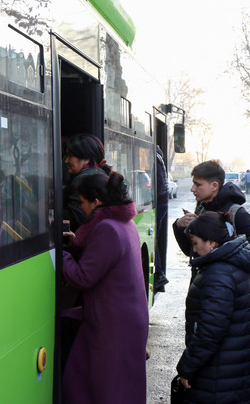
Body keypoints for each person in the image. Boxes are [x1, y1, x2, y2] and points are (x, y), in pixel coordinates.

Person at [61, 172, 148, 404]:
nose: (80, 207)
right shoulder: (124, 223)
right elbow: (104, 260)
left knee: (102, 387)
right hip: (123, 319)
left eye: (82, 201)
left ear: (96, 201)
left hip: (112, 324)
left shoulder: (107, 228)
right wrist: (75, 245)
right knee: (119, 385)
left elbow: (83, 277)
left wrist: (59, 256)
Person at [176, 211, 250, 403]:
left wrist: (187, 367)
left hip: (222, 376)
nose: (193, 250)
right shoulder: (237, 261)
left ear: (211, 243)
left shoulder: (218, 274)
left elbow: (209, 332)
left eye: (195, 243)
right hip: (242, 369)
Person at [173, 160, 250, 281]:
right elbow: (192, 252)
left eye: (198, 184)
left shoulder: (238, 214)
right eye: (193, 184)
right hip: (204, 286)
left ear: (214, 186)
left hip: (226, 291)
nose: (192, 189)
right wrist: (179, 226)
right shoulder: (202, 208)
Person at [62, 134, 111, 233]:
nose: (66, 161)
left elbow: (74, 219)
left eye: (70, 156)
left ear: (86, 158)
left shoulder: (84, 182)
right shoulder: (99, 174)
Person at [154, 145, 170, 292]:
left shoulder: (154, 157)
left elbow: (158, 184)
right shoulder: (158, 155)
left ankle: (158, 274)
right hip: (161, 202)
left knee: (154, 239)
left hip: (158, 203)